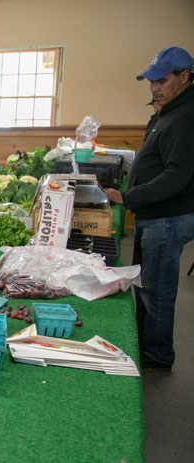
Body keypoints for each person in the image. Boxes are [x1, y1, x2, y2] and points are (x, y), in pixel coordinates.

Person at [104, 46, 194, 372]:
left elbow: (177, 176)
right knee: (145, 286)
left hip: (167, 219)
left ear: (184, 77)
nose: (155, 86)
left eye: (163, 79)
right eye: (151, 80)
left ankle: (155, 355)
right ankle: (145, 344)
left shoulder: (184, 117)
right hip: (154, 216)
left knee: (156, 291)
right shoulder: (168, 110)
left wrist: (128, 196)